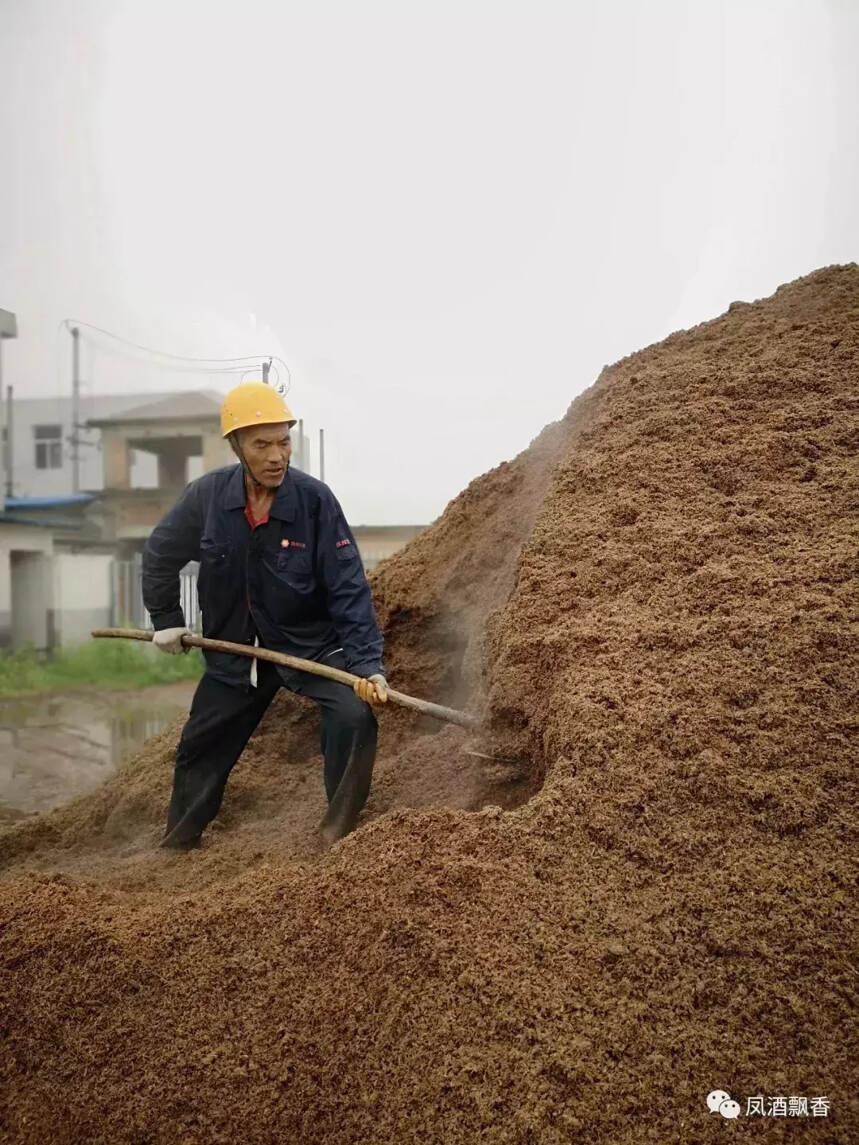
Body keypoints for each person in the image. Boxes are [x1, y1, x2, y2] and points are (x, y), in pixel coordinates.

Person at [142, 381, 388, 849]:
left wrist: (366, 664)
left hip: (310, 645)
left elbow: (348, 587)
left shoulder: (315, 502)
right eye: (262, 444)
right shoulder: (207, 498)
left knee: (354, 716)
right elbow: (159, 554)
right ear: (237, 446)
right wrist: (166, 619)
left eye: (284, 441)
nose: (277, 455)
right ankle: (177, 842)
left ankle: (338, 834)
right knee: (201, 743)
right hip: (237, 650)